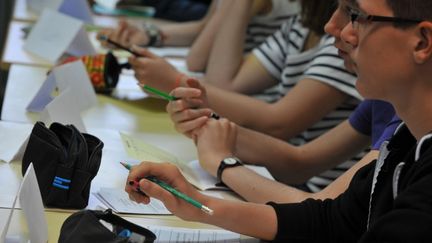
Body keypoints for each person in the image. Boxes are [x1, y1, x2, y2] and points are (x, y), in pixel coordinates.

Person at [125, 0, 432, 241]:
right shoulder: (406, 139)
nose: (335, 28)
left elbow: (282, 129)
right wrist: (197, 204)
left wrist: (223, 163)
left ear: (422, 42)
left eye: (356, 15)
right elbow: (330, 221)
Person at [129, 0, 362, 192]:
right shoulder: (300, 25)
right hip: (289, 180)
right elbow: (222, 79)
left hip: (305, 188)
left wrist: (177, 83)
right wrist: (208, 125)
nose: (333, 25)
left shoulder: (345, 45)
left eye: (350, 11)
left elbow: (279, 125)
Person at [98, 0, 299, 73]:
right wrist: (150, 35)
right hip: (226, 82)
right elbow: (205, 27)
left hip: (243, 93)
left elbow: (197, 60)